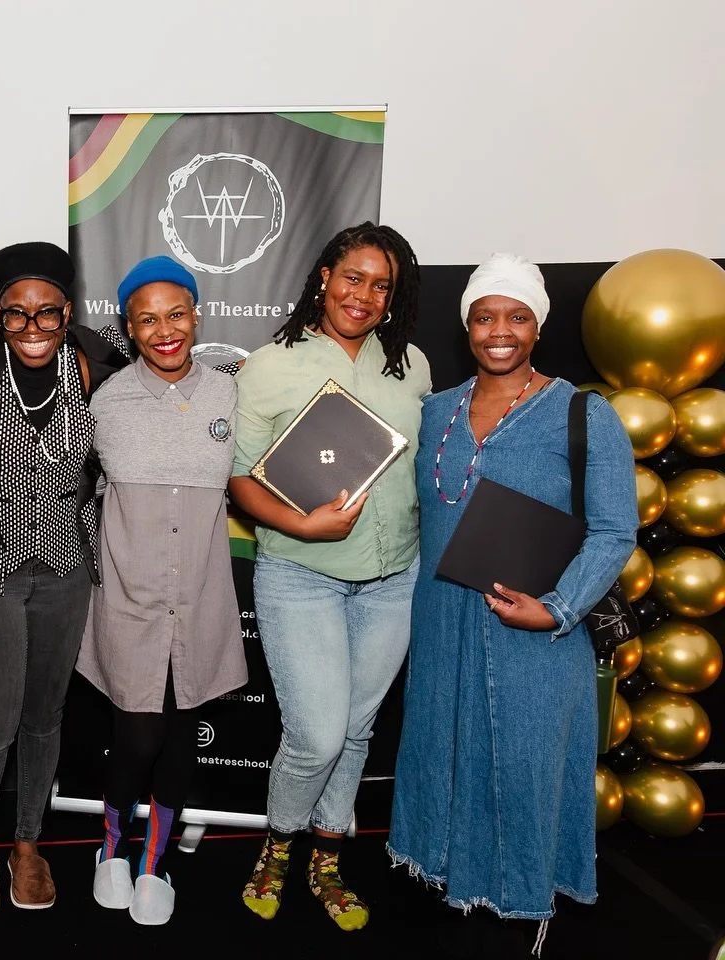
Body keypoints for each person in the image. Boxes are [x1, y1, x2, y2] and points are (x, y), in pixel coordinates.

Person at [387, 254, 635, 955]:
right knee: (441, 749)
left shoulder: (584, 414)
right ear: (466, 326)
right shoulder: (435, 411)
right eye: (485, 317)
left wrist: (558, 608)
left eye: (517, 317)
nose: (500, 331)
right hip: (442, 618)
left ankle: (529, 893)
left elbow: (615, 530)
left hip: (535, 627)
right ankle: (448, 874)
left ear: (538, 327)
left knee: (526, 761)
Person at [228, 222, 430, 931]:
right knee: (316, 735)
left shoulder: (412, 365)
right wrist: (301, 524)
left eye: (381, 286)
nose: (364, 295)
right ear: (323, 277)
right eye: (353, 277)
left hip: (394, 577)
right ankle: (278, 845)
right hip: (301, 574)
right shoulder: (267, 366)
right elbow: (240, 481)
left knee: (355, 730)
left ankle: (328, 858)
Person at [0, 242, 130, 920]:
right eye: (15, 313)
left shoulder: (94, 361)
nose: (31, 327)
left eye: (46, 312)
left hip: (64, 566)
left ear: (67, 313)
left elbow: (152, 382)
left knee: (45, 718)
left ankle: (27, 844)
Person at [76, 256, 247, 926]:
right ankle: (110, 848)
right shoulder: (104, 401)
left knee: (179, 738)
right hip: (129, 599)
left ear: (197, 315)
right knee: (138, 737)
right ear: (129, 327)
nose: (164, 330)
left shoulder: (230, 395)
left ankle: (155, 862)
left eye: (176, 314)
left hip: (200, 597)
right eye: (147, 319)